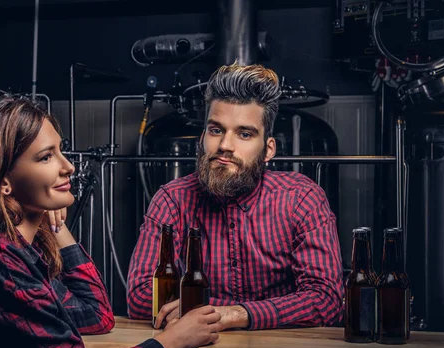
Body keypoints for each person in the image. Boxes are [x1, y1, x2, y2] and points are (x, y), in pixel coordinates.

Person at [0, 95, 223, 348]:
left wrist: (54, 226)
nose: (68, 166)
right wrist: (174, 341)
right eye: (45, 157)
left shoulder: (15, 254)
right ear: (2, 182)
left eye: (60, 151)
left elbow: (96, 316)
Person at [127, 63, 344, 331]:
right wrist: (217, 311)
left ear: (268, 149)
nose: (225, 146)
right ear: (202, 137)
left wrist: (231, 314)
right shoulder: (171, 200)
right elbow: (139, 295)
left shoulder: (302, 199)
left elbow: (326, 300)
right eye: (216, 130)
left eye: (244, 134)